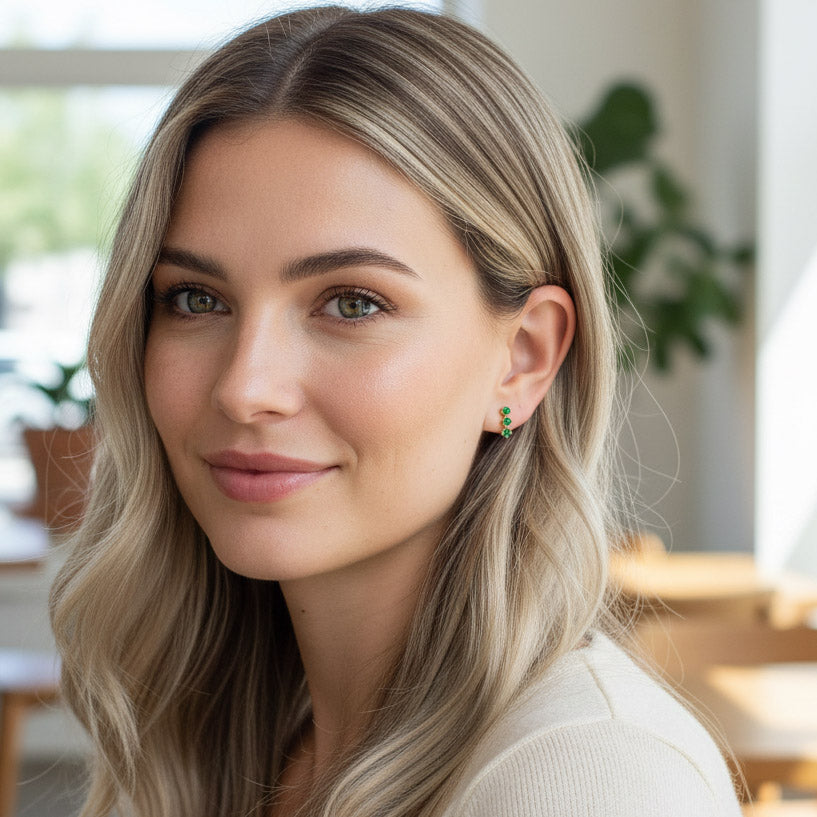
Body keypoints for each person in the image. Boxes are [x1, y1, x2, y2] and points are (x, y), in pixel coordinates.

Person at [50, 6, 742, 816]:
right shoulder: (216, 738)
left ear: (522, 359)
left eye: (351, 303)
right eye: (196, 298)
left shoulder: (591, 776)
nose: (245, 386)